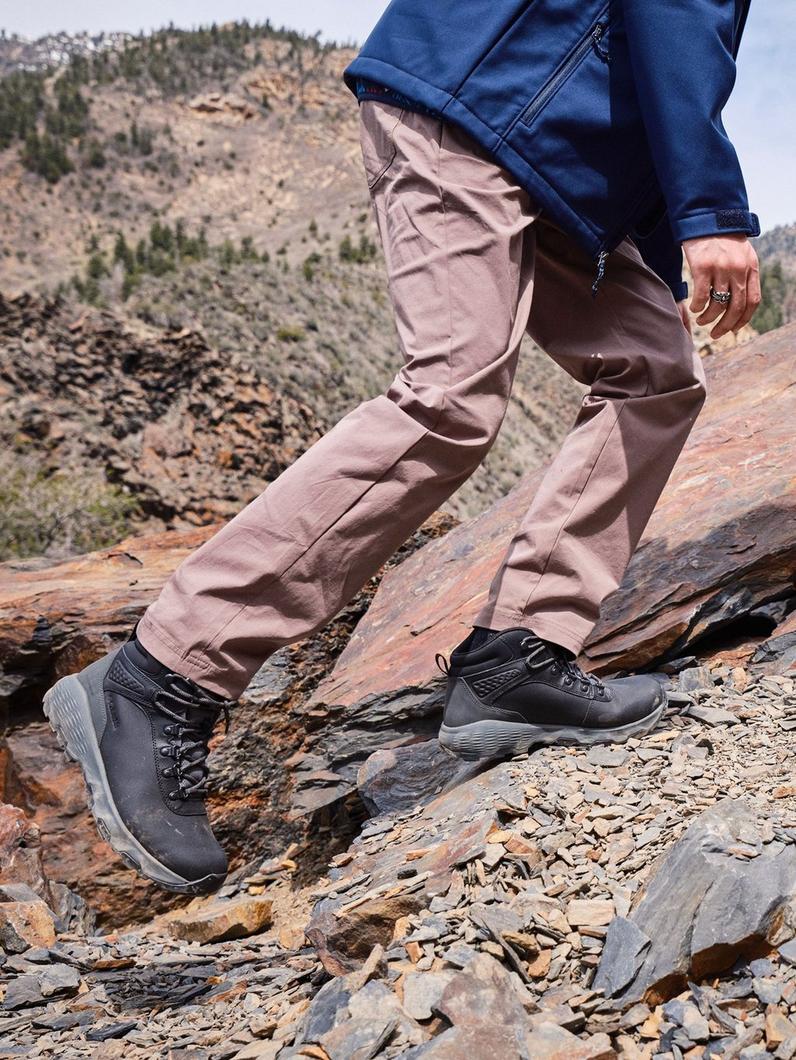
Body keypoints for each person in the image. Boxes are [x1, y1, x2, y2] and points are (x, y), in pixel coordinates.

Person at [43, 0, 761, 894]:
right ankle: (163, 674)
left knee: (656, 370)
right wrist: (712, 210)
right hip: (475, 105)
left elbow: (635, 79)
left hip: (553, 155)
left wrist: (674, 227)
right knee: (451, 397)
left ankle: (517, 658)